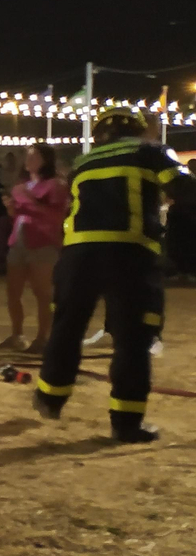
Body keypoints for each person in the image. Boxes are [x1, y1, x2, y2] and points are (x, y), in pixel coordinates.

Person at [35, 107, 194, 443]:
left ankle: (50, 396)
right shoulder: (149, 151)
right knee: (133, 339)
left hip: (77, 255)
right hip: (129, 253)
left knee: (67, 327)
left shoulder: (83, 162)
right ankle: (126, 423)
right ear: (138, 131)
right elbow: (184, 189)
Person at [0, 142, 69, 352]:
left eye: (34, 157)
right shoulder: (21, 186)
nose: (29, 161)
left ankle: (43, 337)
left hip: (43, 242)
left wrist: (27, 202)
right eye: (28, 157)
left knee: (42, 292)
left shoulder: (55, 185)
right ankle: (17, 334)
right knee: (13, 292)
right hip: (19, 241)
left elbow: (55, 215)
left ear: (45, 160)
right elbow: (18, 216)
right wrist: (12, 208)